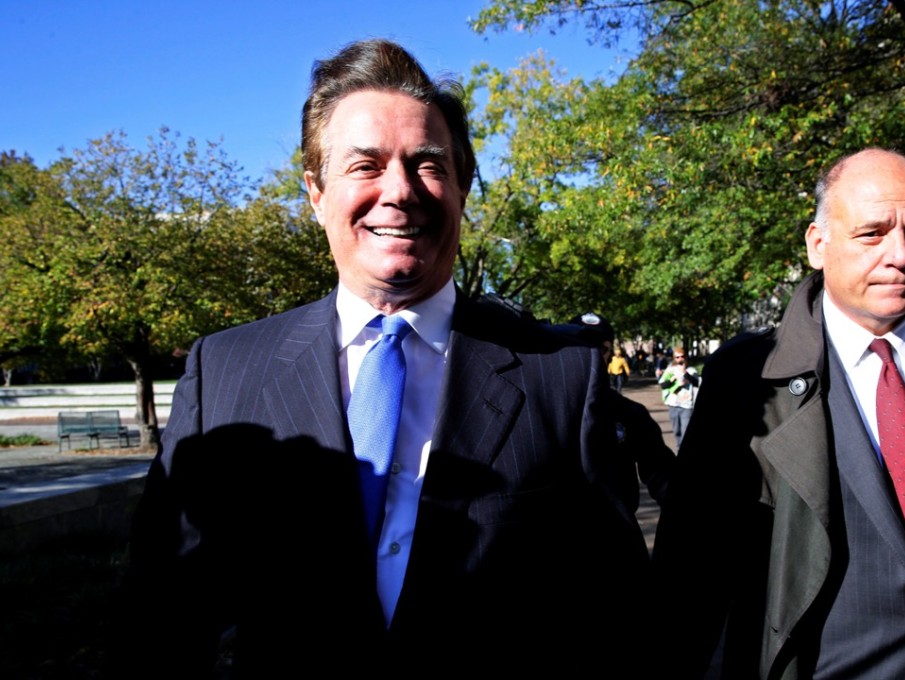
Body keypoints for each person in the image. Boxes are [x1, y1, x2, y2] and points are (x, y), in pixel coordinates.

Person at [116, 39, 649, 676]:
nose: (399, 191)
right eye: (365, 165)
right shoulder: (224, 372)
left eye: (427, 165)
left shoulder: (561, 374)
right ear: (315, 193)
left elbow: (617, 616)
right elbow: (160, 616)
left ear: (460, 188)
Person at [653, 148, 905, 678]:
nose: (901, 255)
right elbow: (690, 573)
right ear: (818, 245)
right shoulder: (745, 381)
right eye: (872, 234)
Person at [557, 312, 673, 510]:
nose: (590, 356)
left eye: (599, 349)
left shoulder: (630, 413)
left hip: (616, 535)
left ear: (610, 355)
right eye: (581, 347)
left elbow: (665, 480)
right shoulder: (542, 408)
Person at [657, 346, 699, 449]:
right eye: (677, 357)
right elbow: (662, 385)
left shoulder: (691, 370)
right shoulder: (670, 370)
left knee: (686, 432)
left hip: (687, 405)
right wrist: (672, 380)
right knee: (677, 431)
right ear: (674, 358)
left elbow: (696, 382)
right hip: (673, 404)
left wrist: (685, 373)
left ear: (685, 357)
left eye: (682, 356)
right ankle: (678, 448)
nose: (680, 359)